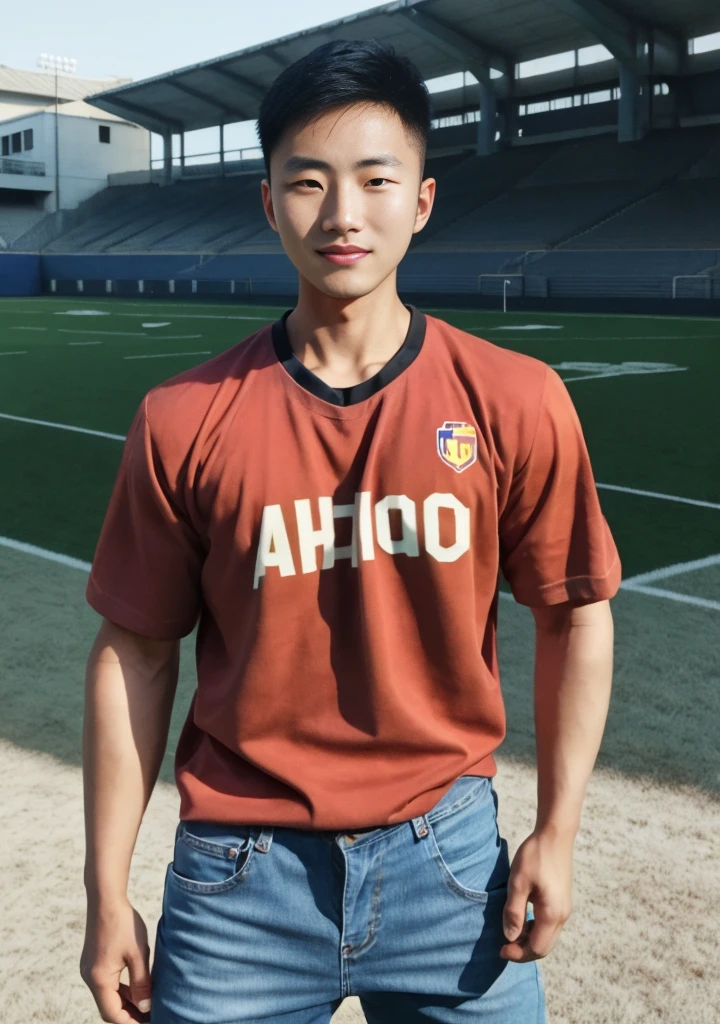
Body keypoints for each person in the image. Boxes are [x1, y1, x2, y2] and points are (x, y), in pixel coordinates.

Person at [80, 38, 620, 1024]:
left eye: (376, 179)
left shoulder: (516, 400)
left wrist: (559, 828)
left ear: (420, 201)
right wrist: (105, 886)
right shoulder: (181, 418)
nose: (341, 214)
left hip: (449, 867)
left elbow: (575, 615)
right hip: (238, 880)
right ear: (268, 201)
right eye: (308, 183)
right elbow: (137, 652)